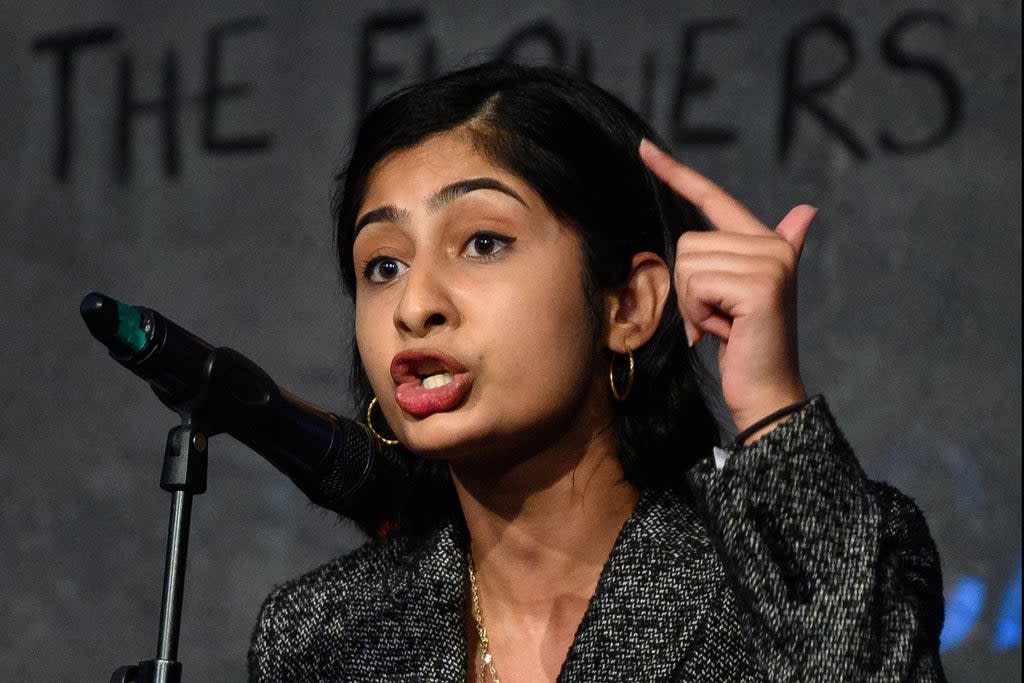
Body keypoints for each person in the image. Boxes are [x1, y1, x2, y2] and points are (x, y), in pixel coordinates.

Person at [248, 62, 945, 682]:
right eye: (384, 265)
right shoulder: (321, 636)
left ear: (630, 306)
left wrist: (769, 401)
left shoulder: (797, 571)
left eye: (483, 242)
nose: (415, 305)